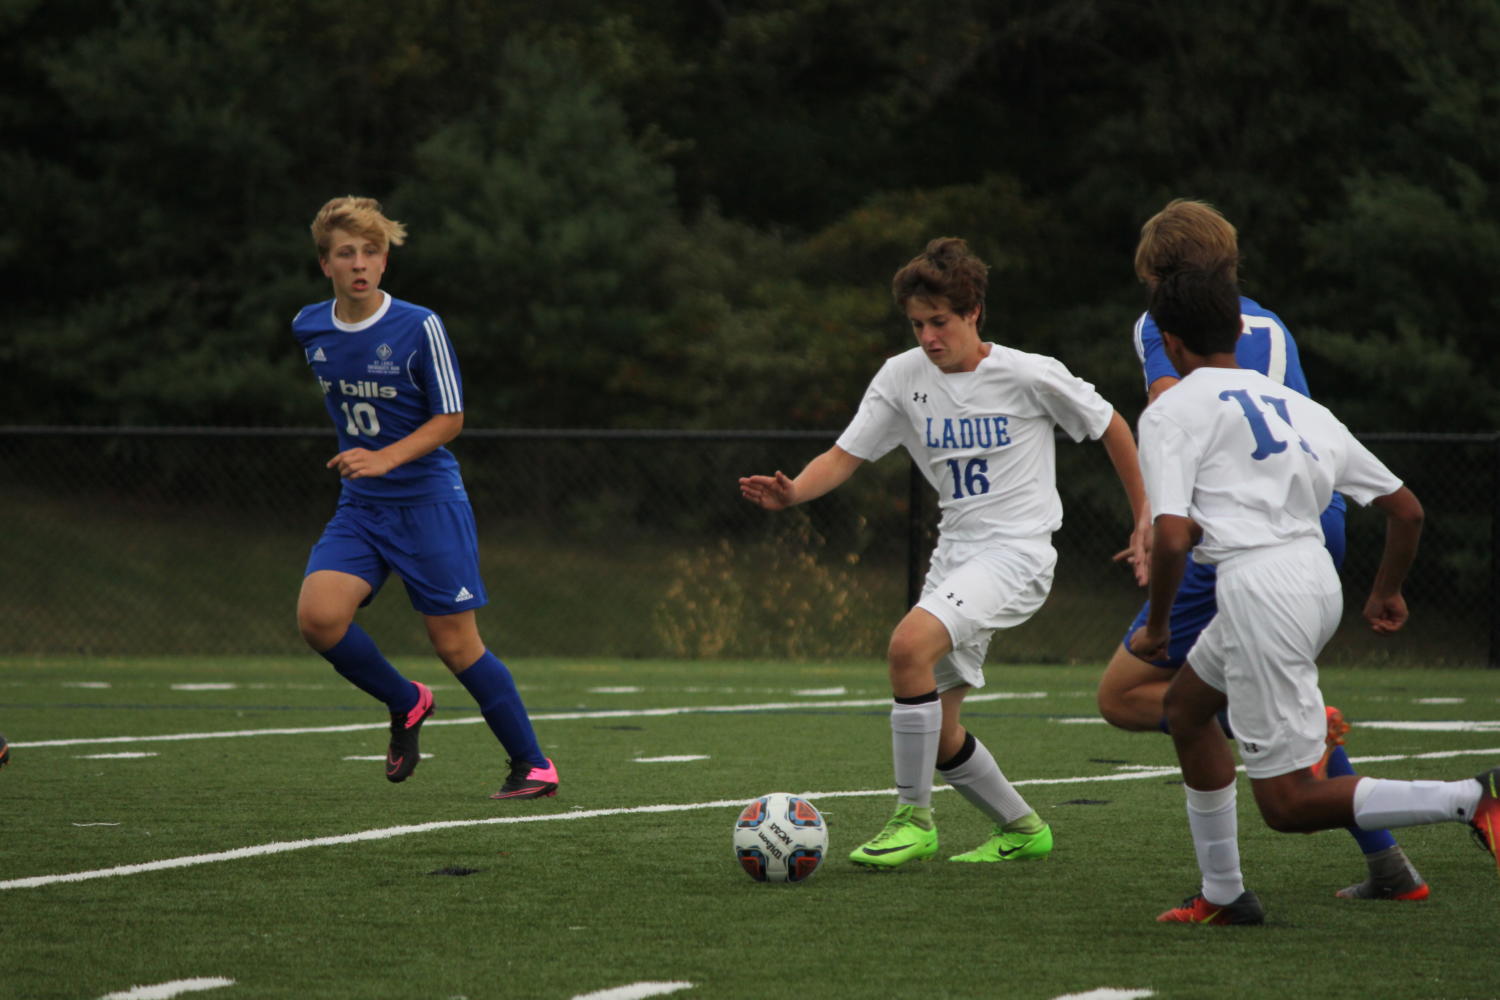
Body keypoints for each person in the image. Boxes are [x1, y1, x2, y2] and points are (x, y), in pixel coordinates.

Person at [740, 237, 1150, 868]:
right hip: (956, 556)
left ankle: (914, 818)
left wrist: (1145, 516)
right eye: (918, 324)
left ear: (974, 312)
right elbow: (845, 455)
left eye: (940, 322)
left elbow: (1112, 425)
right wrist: (794, 491)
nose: (929, 338)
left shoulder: (1029, 373)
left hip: (1016, 554)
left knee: (907, 647)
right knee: (935, 728)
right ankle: (1023, 828)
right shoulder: (901, 377)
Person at [1129, 264, 1499, 925]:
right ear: (1236, 331)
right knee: (1188, 710)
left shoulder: (1171, 410)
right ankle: (1223, 897)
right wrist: (1386, 591)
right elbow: (1407, 510)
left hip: (1258, 589)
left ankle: (1470, 799)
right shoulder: (1299, 406)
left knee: (1289, 805)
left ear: (1173, 344)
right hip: (1312, 578)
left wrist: (1156, 628)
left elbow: (1175, 536)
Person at [1095, 198, 1427, 901]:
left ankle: (1289, 746)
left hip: (1239, 533)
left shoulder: (1162, 326)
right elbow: (1398, 502)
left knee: (1125, 696)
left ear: (1164, 280)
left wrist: (1154, 525)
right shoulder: (1272, 322)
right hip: (1312, 518)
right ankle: (1380, 863)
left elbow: (1174, 412)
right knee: (1202, 698)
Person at [293, 195, 557, 800]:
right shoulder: (308, 326)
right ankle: (406, 700)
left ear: (385, 262)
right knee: (318, 618)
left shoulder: (419, 325)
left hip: (429, 505)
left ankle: (533, 764)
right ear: (325, 265)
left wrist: (384, 456)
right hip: (361, 507)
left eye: (370, 252)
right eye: (345, 253)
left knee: (456, 644)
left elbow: (451, 417)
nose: (359, 263)